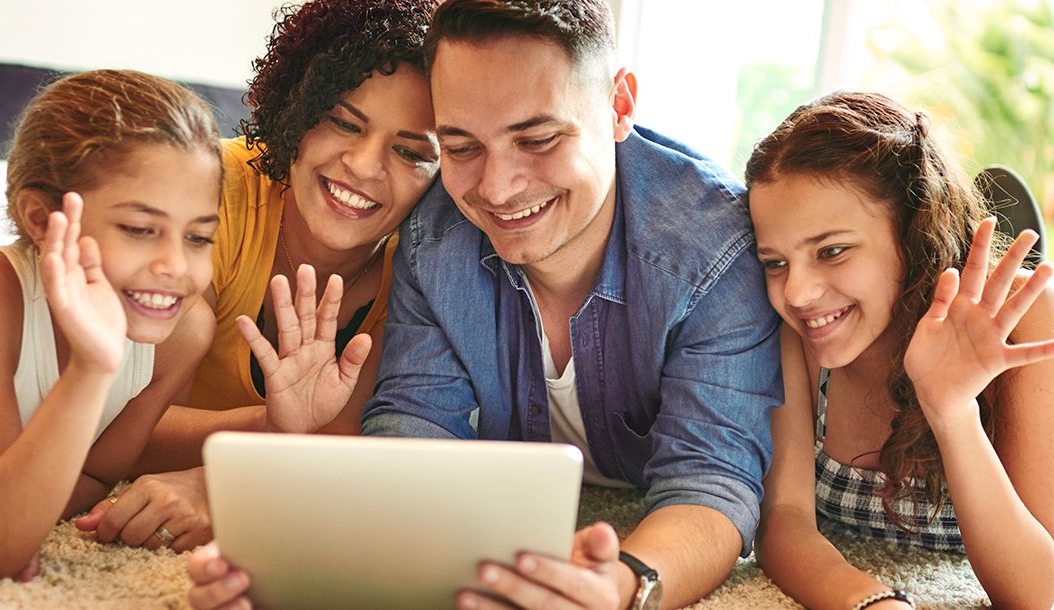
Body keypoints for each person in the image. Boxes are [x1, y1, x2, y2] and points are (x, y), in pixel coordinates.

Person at [187, 1, 782, 609]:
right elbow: (412, 432)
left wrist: (622, 585)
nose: (496, 189)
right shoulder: (432, 233)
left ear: (619, 105)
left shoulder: (717, 250)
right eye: (462, 147)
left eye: (538, 138)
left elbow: (711, 483)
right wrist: (302, 558)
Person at [67, 0, 441, 550]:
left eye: (410, 152)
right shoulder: (204, 197)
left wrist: (227, 481)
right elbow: (102, 425)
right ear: (297, 107)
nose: (363, 165)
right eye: (343, 121)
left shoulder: (424, 269)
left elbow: (342, 446)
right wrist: (267, 440)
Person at [746, 91, 1054, 610]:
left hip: (974, 310)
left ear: (912, 232)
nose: (796, 293)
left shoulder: (1026, 314)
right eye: (775, 261)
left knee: (1001, 294)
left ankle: (983, 234)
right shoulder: (795, 326)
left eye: (831, 250)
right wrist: (874, 602)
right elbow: (784, 521)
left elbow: (1032, 593)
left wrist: (953, 412)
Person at [0, 69, 223, 578]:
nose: (176, 266)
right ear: (40, 219)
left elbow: (93, 472)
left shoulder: (185, 333)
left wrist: (15, 517)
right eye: (140, 229)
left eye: (198, 237)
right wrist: (92, 369)